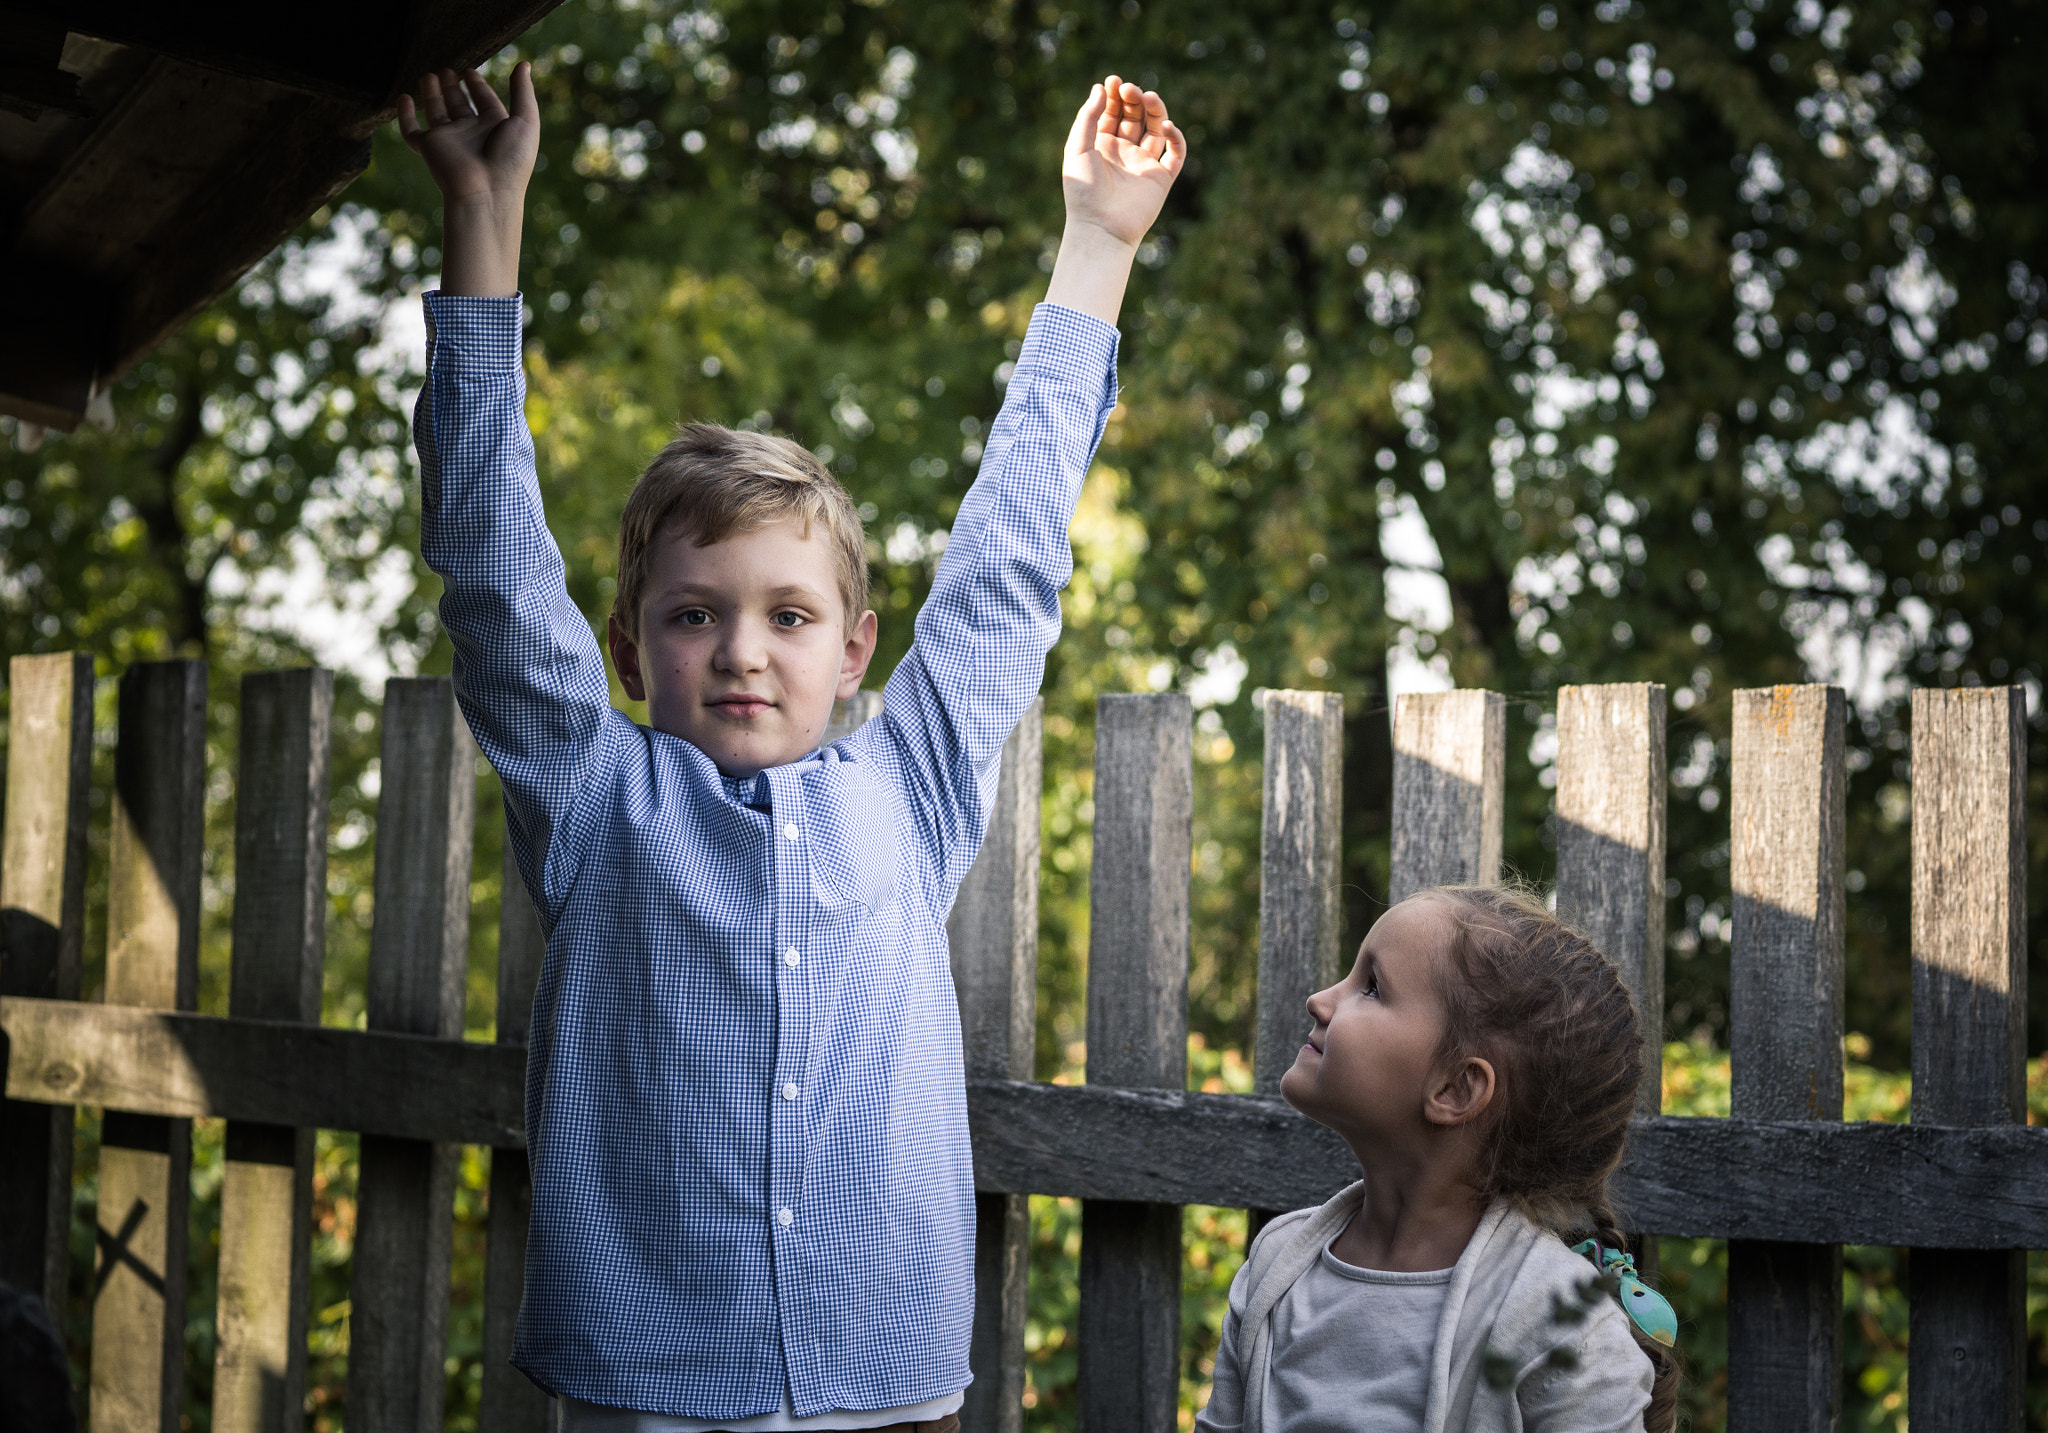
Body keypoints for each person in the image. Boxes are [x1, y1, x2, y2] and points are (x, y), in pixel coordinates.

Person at [396, 56, 1184, 1433]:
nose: (745, 648)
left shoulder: (914, 780)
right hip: (652, 1394)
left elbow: (1010, 552)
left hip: (896, 1391)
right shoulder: (597, 794)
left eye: (789, 613)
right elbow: (493, 566)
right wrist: (485, 210)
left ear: (856, 648)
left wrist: (1098, 242)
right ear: (633, 652)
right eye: (696, 615)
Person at [1194, 885, 1682, 1433]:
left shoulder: (1560, 1323)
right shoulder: (1276, 1265)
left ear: (1455, 1088)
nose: (1320, 1000)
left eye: (1372, 987)